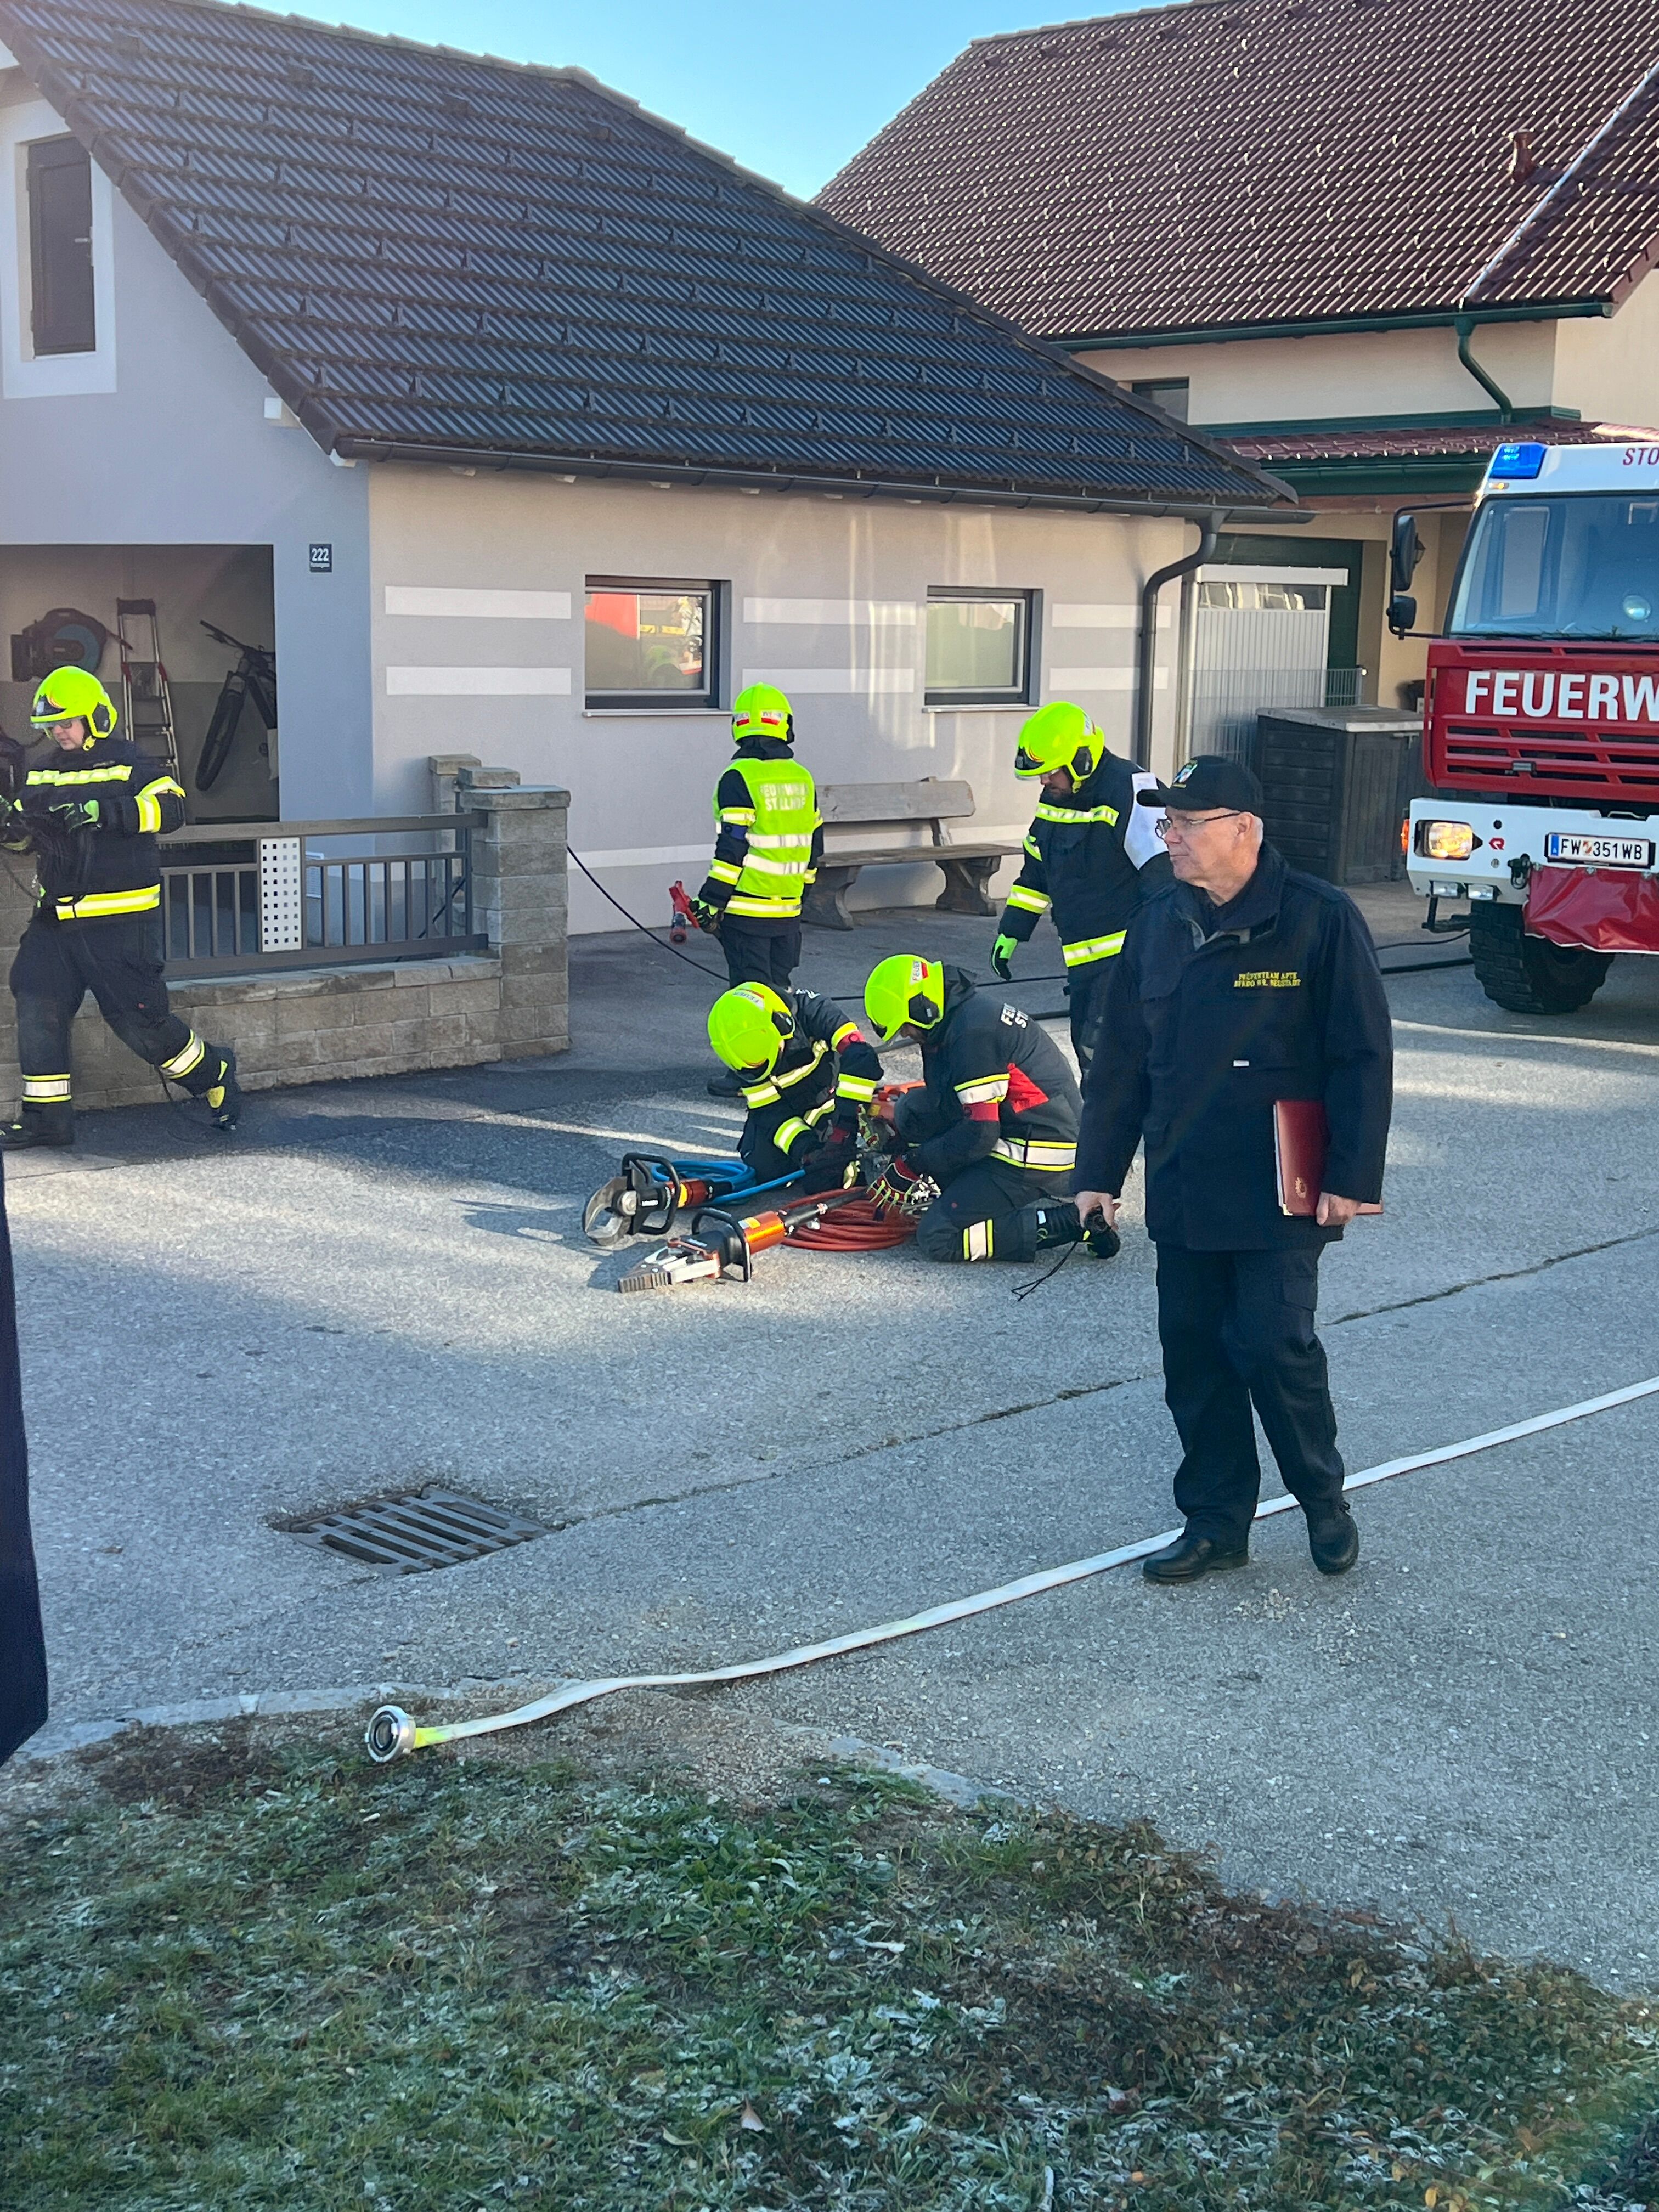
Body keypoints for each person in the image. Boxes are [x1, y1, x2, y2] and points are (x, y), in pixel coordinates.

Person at [1074, 757, 1392, 1583]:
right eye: (1167, 823)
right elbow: (1120, 1060)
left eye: (1186, 823)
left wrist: (1352, 1175)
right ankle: (1216, 1524)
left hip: (1279, 1181)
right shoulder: (1157, 921)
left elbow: (1362, 1055)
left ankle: (1323, 1501)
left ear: (1244, 829)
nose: (1169, 837)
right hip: (1184, 1177)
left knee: (1272, 1342)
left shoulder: (1317, 917)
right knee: (1194, 1355)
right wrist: (1098, 1171)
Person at [0, 668, 241, 1148]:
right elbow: (26, 839)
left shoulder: (129, 761)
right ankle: (47, 1120)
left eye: (68, 723)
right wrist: (10, 826)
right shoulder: (43, 769)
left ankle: (213, 1072)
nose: (59, 733)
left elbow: (172, 809)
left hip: (120, 924)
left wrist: (106, 813)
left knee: (140, 1025)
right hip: (55, 922)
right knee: (38, 1004)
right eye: (53, 726)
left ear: (96, 718)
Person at [862, 953, 1116, 1263]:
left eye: (904, 1027)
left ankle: (1076, 1221)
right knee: (912, 1110)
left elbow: (980, 1134)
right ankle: (973, 1194)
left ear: (922, 1008)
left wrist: (913, 1164)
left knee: (938, 1236)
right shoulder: (954, 1017)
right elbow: (945, 1099)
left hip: (1039, 1151)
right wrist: (902, 1122)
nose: (905, 1035)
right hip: (1023, 1127)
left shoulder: (973, 1035)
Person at [991, 700, 1170, 1079]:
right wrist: (1013, 929)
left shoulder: (1133, 792)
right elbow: (1037, 871)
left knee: (1107, 1059)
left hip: (1127, 958)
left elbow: (1166, 879)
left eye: (1050, 772)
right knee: (1090, 1055)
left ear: (1082, 761)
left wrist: (1155, 952)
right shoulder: (1057, 796)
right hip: (1082, 962)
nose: (1044, 782)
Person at [689, 685, 823, 1096]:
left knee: (749, 996)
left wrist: (710, 902)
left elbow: (732, 849)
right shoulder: (802, 778)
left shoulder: (738, 778)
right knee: (780, 990)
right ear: (785, 726)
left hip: (747, 911)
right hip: (788, 909)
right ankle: (793, 1067)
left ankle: (752, 1072)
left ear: (739, 728)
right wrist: (800, 896)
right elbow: (815, 847)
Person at [706, 981, 881, 1188]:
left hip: (830, 1107)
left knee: (827, 1177)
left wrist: (844, 1131)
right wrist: (806, 1151)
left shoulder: (815, 1012)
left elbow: (861, 1056)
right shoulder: (742, 1056)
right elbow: (769, 1111)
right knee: (766, 1171)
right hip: (785, 1112)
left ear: (783, 1026)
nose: (761, 1068)